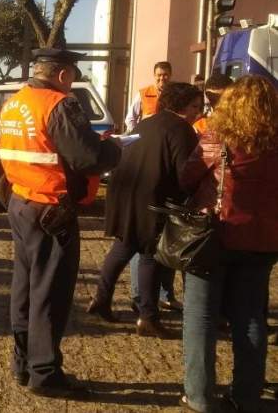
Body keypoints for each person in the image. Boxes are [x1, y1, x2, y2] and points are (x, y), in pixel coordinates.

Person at [0, 48, 121, 399]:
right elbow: (88, 158)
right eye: (74, 76)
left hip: (20, 201)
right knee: (50, 291)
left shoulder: (15, 101)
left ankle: (23, 363)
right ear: (64, 75)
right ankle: (45, 373)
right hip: (51, 208)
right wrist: (116, 149)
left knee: (24, 289)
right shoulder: (58, 104)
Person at [179, 75, 278, 413]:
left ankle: (199, 395)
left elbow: (187, 176)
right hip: (264, 239)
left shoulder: (218, 137)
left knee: (201, 317)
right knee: (251, 317)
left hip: (215, 235)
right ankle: (246, 395)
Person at [88, 82, 202, 338]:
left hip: (126, 193)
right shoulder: (181, 129)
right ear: (182, 105)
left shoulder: (147, 122)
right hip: (153, 200)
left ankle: (101, 300)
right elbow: (186, 171)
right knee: (150, 254)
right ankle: (148, 317)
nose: (199, 112)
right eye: (195, 106)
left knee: (122, 247)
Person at [124, 61, 172, 133]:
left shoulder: (175, 94)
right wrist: (137, 135)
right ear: (154, 75)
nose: (162, 78)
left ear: (170, 75)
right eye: (159, 75)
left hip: (168, 137)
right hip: (148, 136)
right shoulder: (143, 93)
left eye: (165, 75)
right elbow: (130, 119)